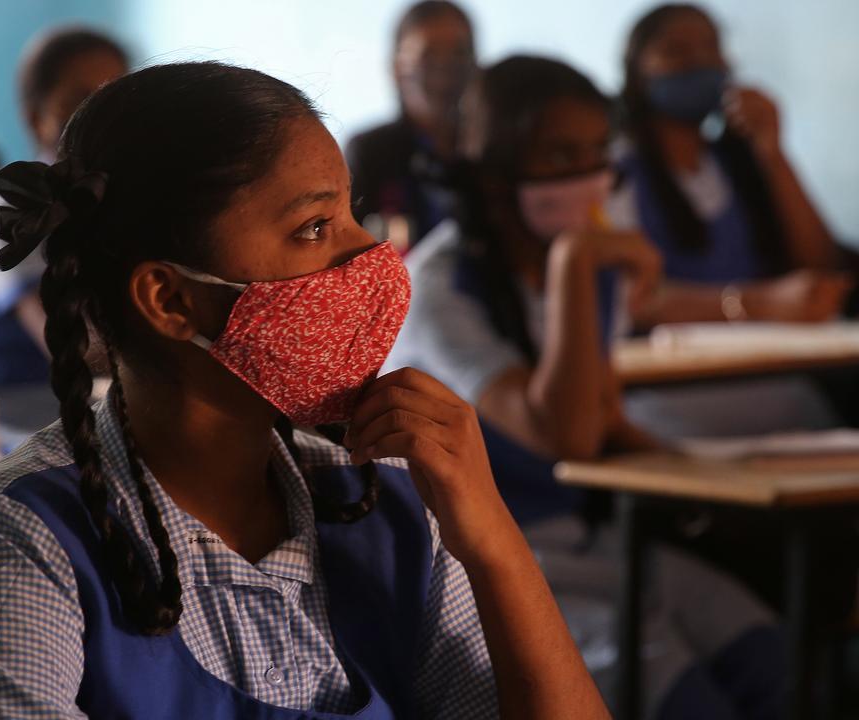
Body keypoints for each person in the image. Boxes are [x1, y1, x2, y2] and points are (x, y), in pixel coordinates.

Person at [0, 61, 610, 719]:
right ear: (171, 299)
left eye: (349, 213)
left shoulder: (387, 503)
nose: (371, 256)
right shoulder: (22, 542)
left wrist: (493, 543)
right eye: (314, 227)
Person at [385, 55, 786, 718]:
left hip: (588, 536)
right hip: (482, 557)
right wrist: (576, 260)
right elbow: (560, 436)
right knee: (688, 700)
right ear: (492, 173)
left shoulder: (585, 270)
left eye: (598, 152)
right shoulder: (439, 290)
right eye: (560, 154)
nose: (590, 175)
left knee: (769, 658)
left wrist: (732, 478)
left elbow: (601, 427)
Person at [608, 3, 846, 439]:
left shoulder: (739, 162)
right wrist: (761, 303)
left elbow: (819, 259)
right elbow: (630, 300)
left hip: (778, 386)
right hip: (672, 401)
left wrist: (774, 154)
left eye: (711, 49)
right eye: (677, 51)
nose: (699, 63)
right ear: (637, 73)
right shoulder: (617, 174)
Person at [0, 27, 128, 392]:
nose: (101, 113)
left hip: (101, 402)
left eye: (116, 97)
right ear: (36, 117)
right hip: (15, 410)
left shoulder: (127, 201)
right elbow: (77, 348)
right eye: (81, 98)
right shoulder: (5, 211)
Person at [346, 0, 475, 252]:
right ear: (397, 68)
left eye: (459, 54)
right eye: (428, 55)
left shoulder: (489, 151)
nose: (445, 69)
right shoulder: (370, 152)